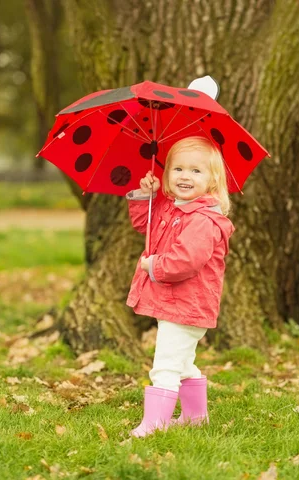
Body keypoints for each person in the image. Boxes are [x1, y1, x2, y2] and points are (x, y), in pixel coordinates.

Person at [125, 136, 234, 437]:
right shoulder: (171, 208)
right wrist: (145, 197)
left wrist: (154, 266)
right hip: (175, 303)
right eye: (178, 169)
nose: (185, 176)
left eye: (196, 171)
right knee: (183, 363)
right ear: (167, 174)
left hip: (187, 304)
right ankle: (195, 418)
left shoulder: (205, 221)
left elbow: (185, 262)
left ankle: (154, 426)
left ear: (213, 179)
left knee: (166, 366)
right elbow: (143, 225)